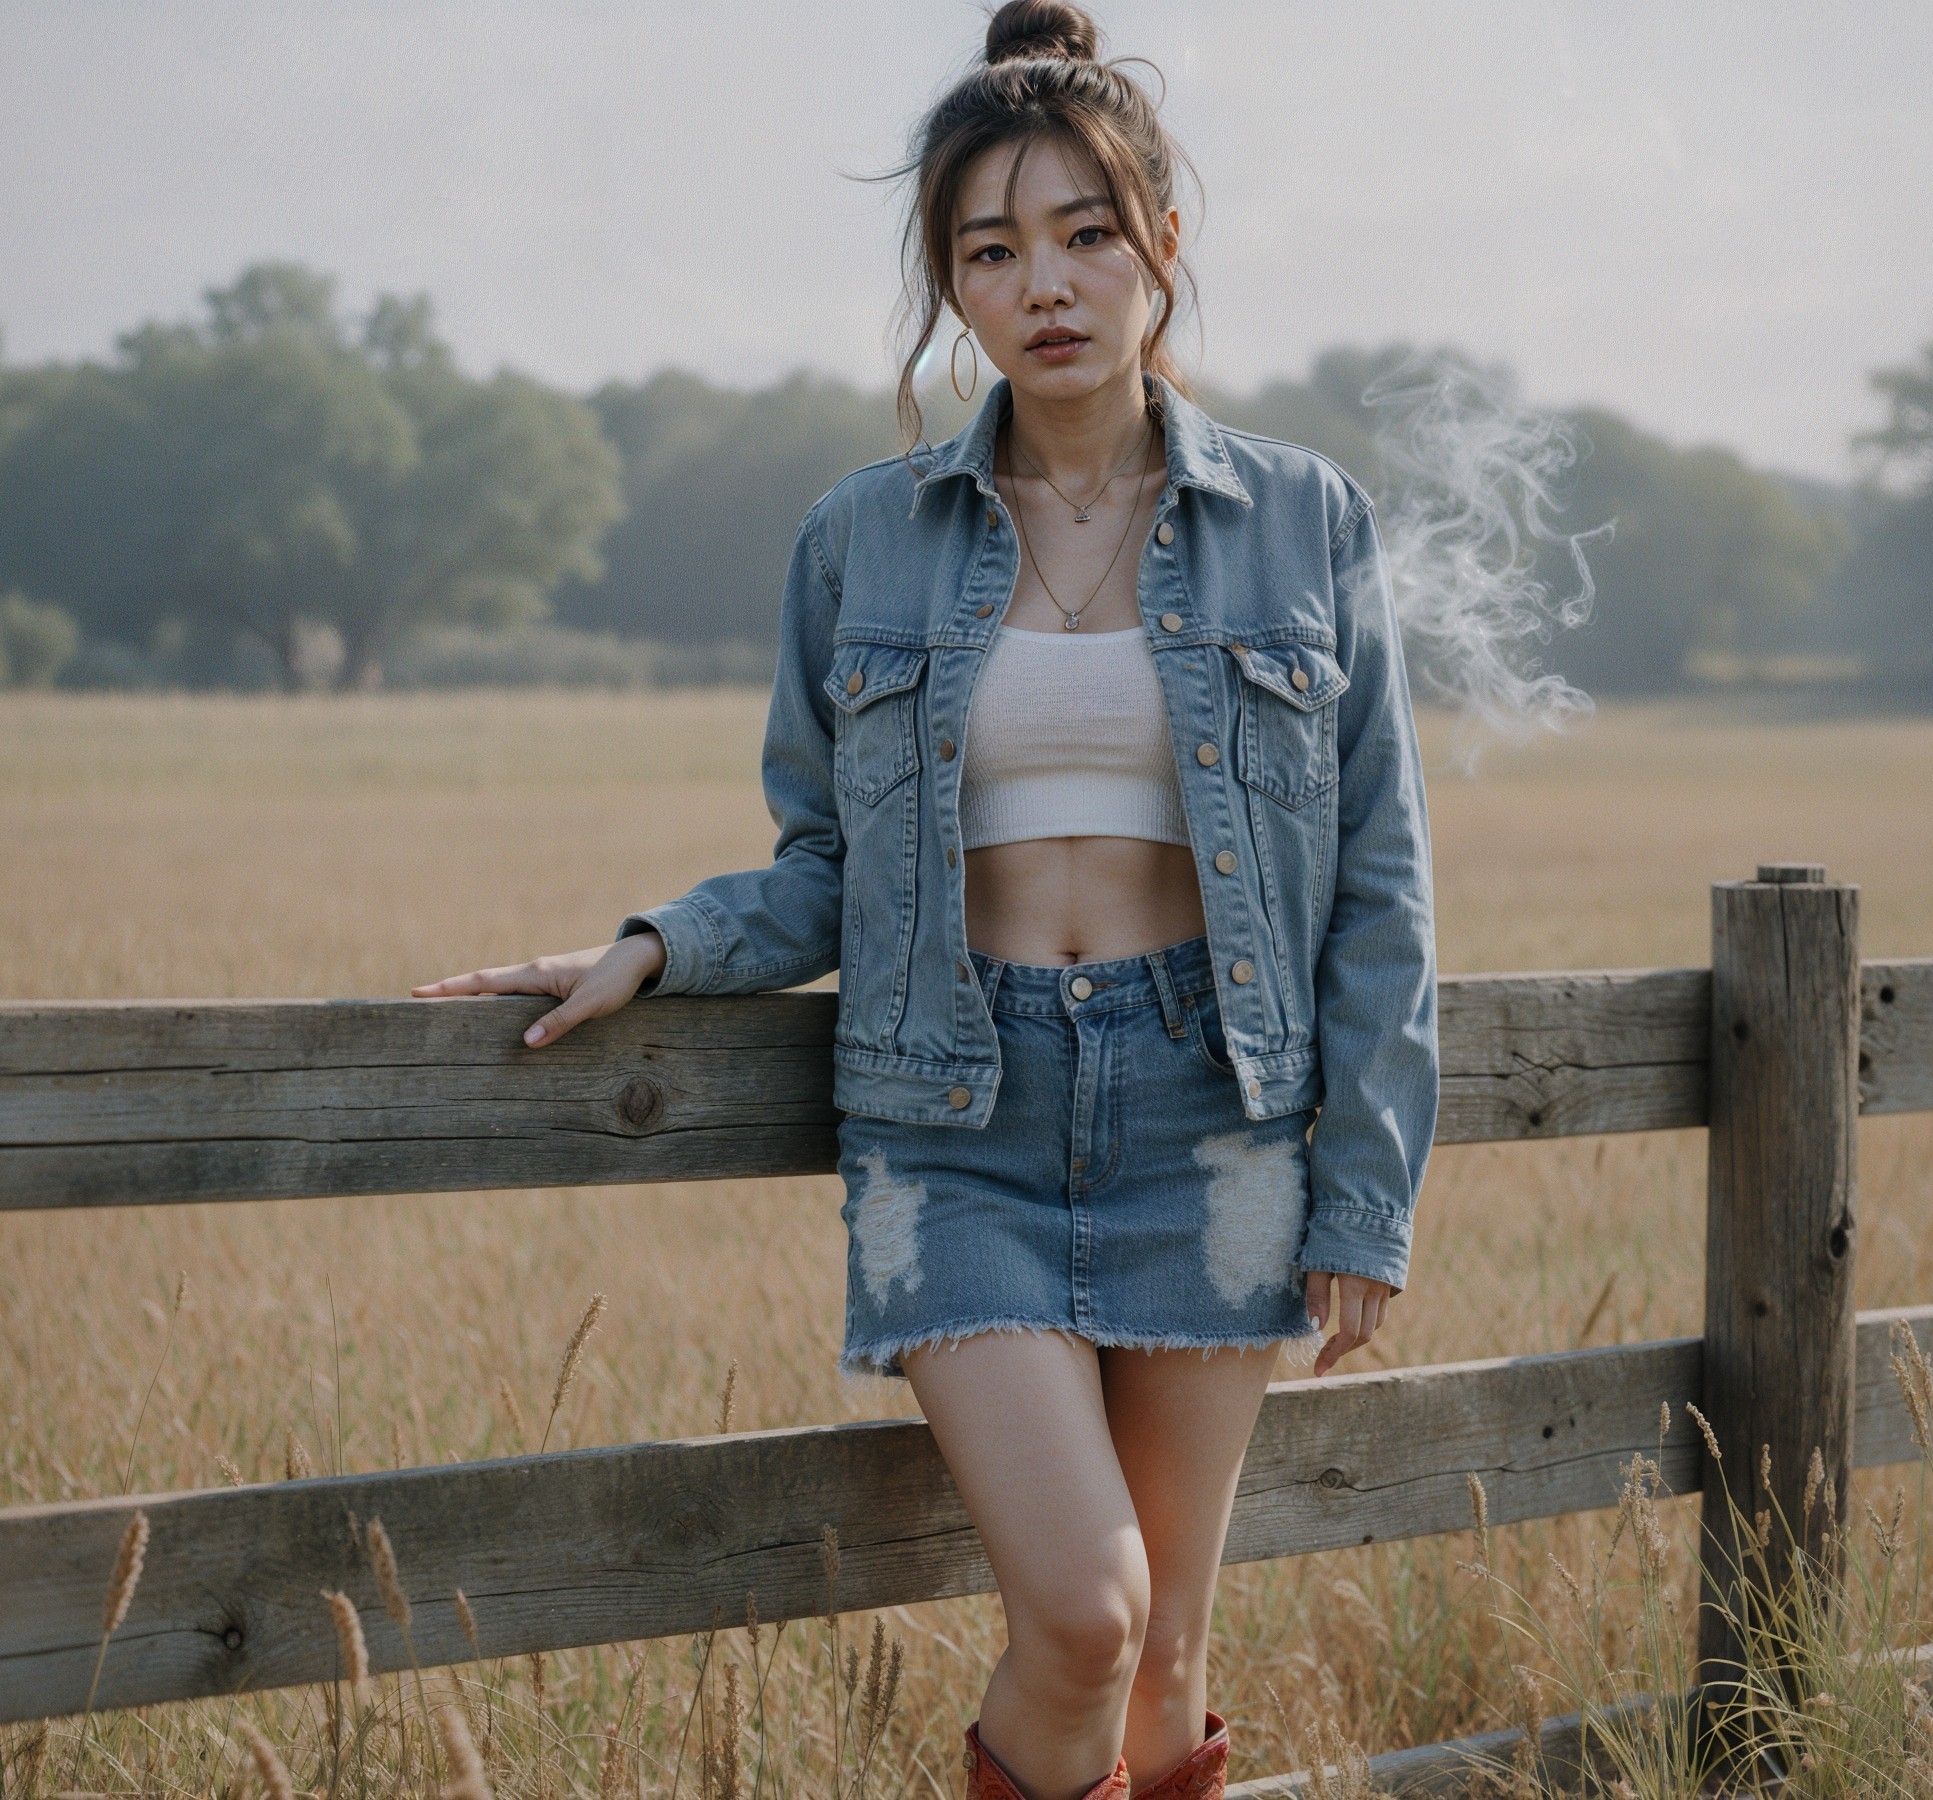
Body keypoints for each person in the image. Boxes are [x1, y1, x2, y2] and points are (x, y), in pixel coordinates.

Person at [415, 4, 1438, 1793]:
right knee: (1085, 1616)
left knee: (1167, 1659)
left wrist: (1365, 1190)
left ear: (1162, 251)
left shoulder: (1303, 522)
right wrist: (662, 944)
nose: (1045, 282)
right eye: (993, 250)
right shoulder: (861, 539)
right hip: (951, 1118)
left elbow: (1378, 882)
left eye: (1085, 233)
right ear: (953, 292)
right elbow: (824, 863)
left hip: (1217, 1111)